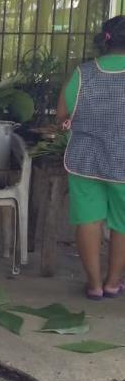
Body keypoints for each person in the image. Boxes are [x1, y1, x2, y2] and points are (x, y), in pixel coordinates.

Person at [57, 15, 125, 300]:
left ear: (104, 40)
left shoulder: (83, 73)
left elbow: (62, 115)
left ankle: (94, 285)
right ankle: (113, 283)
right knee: (122, 223)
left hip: (85, 161)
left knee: (88, 219)